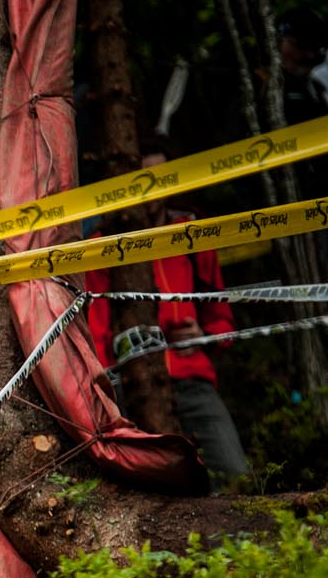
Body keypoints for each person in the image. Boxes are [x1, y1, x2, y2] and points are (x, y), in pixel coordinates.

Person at [84, 152, 251, 489]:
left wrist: (205, 334)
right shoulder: (101, 244)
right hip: (132, 386)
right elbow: (96, 324)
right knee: (151, 490)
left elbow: (220, 314)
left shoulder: (191, 234)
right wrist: (106, 390)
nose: (151, 191)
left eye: (160, 180)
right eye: (142, 182)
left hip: (192, 377)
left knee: (236, 478)